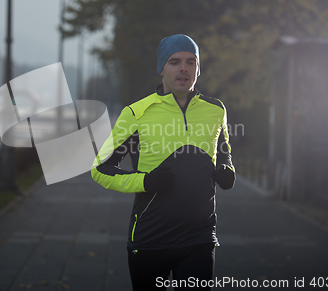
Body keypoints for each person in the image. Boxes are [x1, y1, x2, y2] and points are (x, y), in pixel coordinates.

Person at [91, 34, 235, 290]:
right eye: (174, 61)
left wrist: (227, 170)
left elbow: (224, 153)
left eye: (191, 62)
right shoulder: (136, 113)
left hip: (199, 238)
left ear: (197, 69)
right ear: (161, 69)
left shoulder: (216, 110)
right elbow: (101, 169)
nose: (183, 68)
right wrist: (144, 181)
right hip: (150, 238)